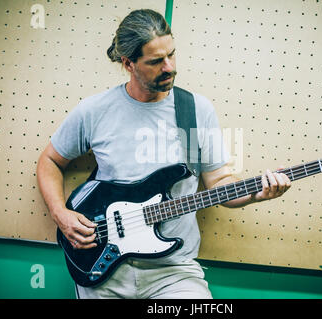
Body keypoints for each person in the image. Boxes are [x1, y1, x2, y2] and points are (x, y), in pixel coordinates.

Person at [36, 9, 291, 299]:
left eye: (172, 55)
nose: (169, 67)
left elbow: (219, 181)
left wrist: (256, 193)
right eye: (156, 61)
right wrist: (61, 215)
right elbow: (50, 161)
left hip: (174, 272)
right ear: (128, 63)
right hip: (102, 267)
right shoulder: (94, 111)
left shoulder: (196, 110)